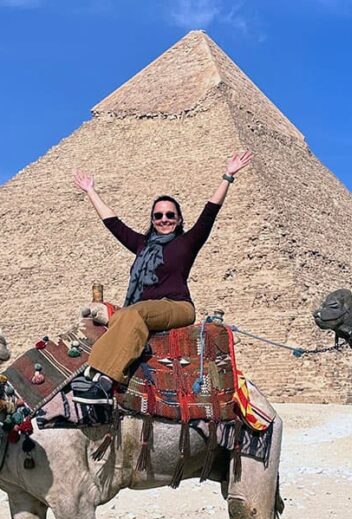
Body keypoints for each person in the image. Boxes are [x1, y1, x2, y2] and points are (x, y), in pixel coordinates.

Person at [72, 151, 253, 403]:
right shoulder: (142, 245)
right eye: (158, 215)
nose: (164, 219)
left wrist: (228, 175)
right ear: (152, 220)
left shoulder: (188, 242)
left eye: (170, 215)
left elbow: (210, 211)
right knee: (126, 315)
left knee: (134, 313)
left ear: (179, 219)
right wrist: (91, 191)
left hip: (178, 306)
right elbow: (113, 223)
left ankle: (103, 378)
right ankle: (93, 370)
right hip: (143, 309)